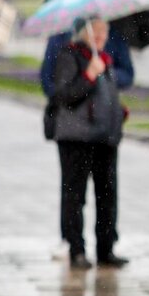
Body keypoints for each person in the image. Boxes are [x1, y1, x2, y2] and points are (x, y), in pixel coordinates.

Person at [50, 15, 128, 269]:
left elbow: (107, 96)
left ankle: (106, 248)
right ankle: (76, 249)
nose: (101, 37)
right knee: (75, 195)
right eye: (96, 32)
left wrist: (117, 112)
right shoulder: (69, 56)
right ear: (85, 34)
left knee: (107, 195)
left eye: (104, 32)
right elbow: (65, 95)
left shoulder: (104, 59)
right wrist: (89, 75)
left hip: (105, 137)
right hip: (77, 138)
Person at [41, 23, 134, 97]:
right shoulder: (60, 37)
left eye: (103, 31)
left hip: (102, 108)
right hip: (72, 111)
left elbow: (127, 75)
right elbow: (49, 83)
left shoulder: (114, 37)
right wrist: (87, 77)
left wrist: (105, 72)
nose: (101, 36)